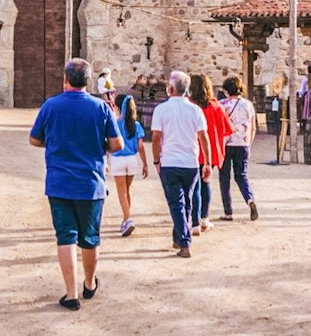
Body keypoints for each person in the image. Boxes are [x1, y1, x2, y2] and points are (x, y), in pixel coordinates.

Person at [29, 58, 123, 311]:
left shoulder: (50, 106)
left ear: (65, 79)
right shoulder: (101, 108)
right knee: (90, 237)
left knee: (65, 237)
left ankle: (70, 294)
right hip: (90, 183)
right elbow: (117, 145)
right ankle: (89, 283)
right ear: (89, 81)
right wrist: (97, 146)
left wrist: (56, 143)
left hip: (59, 183)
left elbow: (34, 140)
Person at [151, 71, 210, 259]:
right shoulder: (195, 110)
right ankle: (178, 237)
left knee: (176, 202)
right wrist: (207, 162)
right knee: (187, 202)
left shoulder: (161, 109)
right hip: (190, 163)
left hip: (169, 162)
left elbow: (156, 138)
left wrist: (156, 160)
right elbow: (203, 137)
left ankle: (184, 243)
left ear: (170, 89)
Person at [189, 74, 232, 233]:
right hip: (210, 152)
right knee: (205, 183)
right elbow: (227, 129)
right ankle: (204, 218)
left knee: (194, 186)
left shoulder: (190, 106)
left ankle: (194, 221)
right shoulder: (215, 106)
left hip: (192, 150)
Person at [218, 75, 258, 221]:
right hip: (243, 144)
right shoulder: (248, 105)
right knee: (241, 175)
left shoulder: (222, 104)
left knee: (224, 178)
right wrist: (249, 143)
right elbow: (253, 127)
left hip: (226, 144)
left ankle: (228, 211)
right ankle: (250, 199)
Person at [108, 93, 148, 237]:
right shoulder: (136, 125)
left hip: (118, 159)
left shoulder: (115, 123)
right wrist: (145, 164)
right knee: (128, 189)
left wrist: (105, 160)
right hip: (132, 159)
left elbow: (110, 143)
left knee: (121, 192)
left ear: (117, 107)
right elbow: (141, 146)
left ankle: (128, 219)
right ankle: (126, 218)